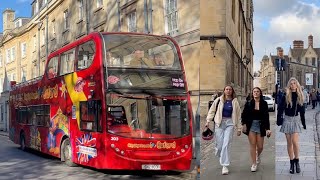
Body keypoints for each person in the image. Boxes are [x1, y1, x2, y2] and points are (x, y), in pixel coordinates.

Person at [205, 85, 242, 175]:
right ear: (224, 91)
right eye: (227, 89)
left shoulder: (235, 102)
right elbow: (212, 110)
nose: (228, 91)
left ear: (232, 91)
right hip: (219, 123)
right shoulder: (218, 100)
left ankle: (225, 165)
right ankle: (219, 152)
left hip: (230, 123)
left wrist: (239, 128)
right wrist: (208, 121)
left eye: (230, 89)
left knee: (226, 144)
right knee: (220, 145)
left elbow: (238, 115)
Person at [277, 77, 306, 174]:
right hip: (287, 120)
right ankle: (291, 163)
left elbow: (302, 111)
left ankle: (297, 161)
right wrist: (279, 119)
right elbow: (280, 108)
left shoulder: (300, 95)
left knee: (295, 142)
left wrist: (304, 122)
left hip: (295, 120)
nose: (293, 85)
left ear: (297, 85)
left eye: (294, 83)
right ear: (289, 85)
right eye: (291, 83)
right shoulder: (286, 95)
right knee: (289, 143)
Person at [241, 87, 271, 172]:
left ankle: (257, 155)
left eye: (257, 91)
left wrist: (268, 128)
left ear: (260, 93)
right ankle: (254, 163)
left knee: (260, 146)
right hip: (251, 125)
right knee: (253, 145)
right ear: (252, 93)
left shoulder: (264, 103)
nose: (256, 93)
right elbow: (244, 115)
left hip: (261, 125)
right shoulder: (249, 103)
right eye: (254, 91)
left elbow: (266, 116)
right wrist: (244, 124)